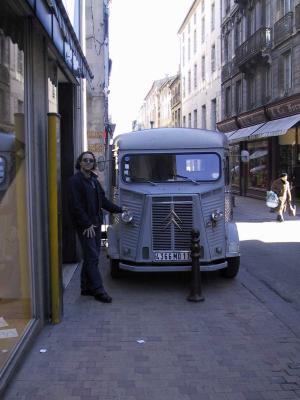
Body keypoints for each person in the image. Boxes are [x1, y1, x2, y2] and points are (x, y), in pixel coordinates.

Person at [68, 151, 123, 303]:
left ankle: (85, 287)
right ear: (80, 163)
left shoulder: (93, 180)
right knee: (92, 257)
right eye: (85, 160)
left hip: (96, 223)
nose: (88, 162)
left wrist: (120, 210)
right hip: (87, 226)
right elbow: (75, 206)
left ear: (93, 164)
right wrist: (86, 223)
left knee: (91, 257)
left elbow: (103, 201)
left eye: (91, 160)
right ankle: (99, 290)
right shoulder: (74, 181)